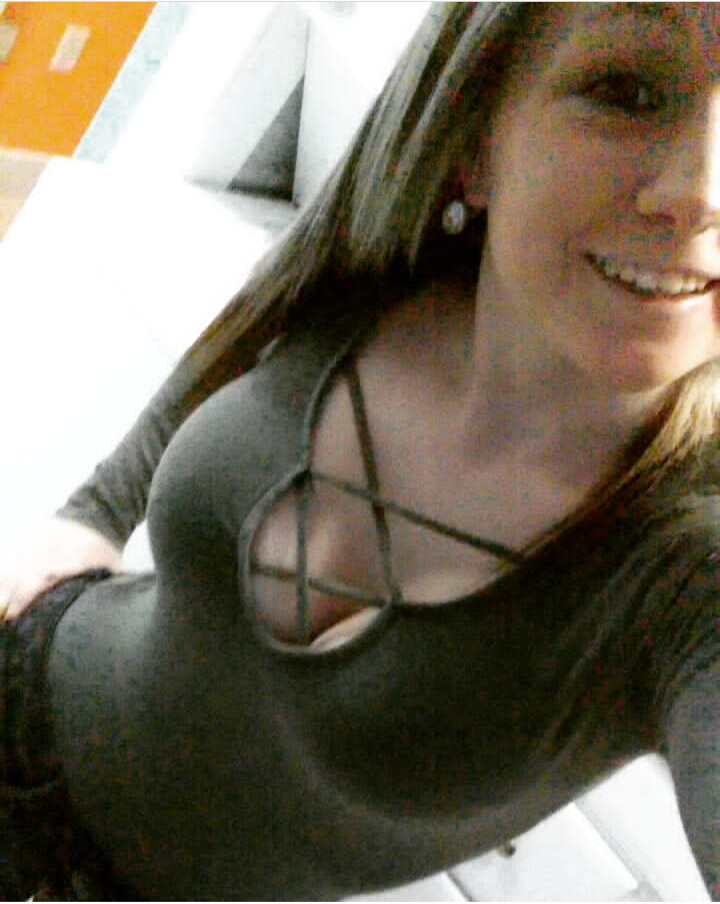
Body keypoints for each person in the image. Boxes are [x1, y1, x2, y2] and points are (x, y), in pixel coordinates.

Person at [1, 2, 718, 899]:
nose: (702, 191)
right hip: (26, 686)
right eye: (627, 91)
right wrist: (96, 510)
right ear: (477, 138)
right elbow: (254, 321)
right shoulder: (390, 264)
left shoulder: (690, 564)